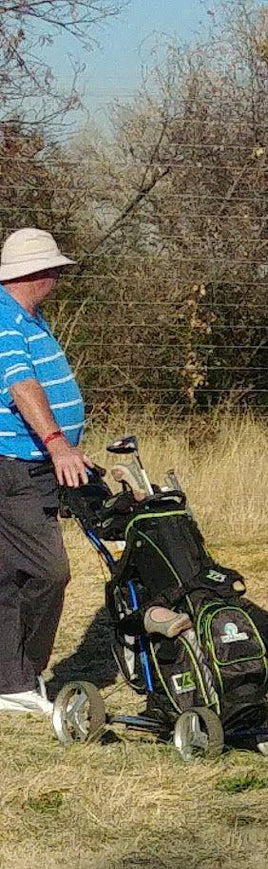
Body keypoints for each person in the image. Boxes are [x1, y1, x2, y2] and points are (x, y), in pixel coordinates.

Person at [0, 229, 85, 717]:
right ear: (33, 274)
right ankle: (19, 677)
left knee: (15, 571)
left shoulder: (30, 316)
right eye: (53, 269)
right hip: (15, 465)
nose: (58, 276)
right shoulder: (5, 318)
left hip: (38, 463)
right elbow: (21, 383)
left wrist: (68, 447)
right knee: (49, 571)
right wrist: (57, 443)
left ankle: (14, 677)